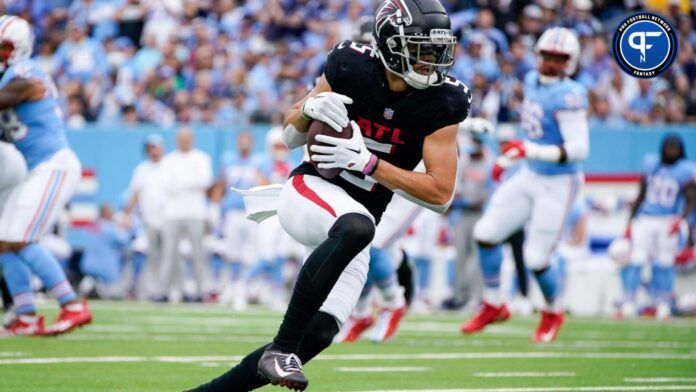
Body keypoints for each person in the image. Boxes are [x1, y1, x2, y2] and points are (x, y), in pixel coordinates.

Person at [188, 0, 470, 390]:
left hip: (360, 215)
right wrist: (309, 109)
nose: (432, 61)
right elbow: (290, 134)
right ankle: (280, 349)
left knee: (320, 333)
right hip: (310, 192)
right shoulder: (350, 67)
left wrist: (369, 164)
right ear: (391, 44)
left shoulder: (445, 101)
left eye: (437, 51)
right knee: (357, 227)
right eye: (422, 50)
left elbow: (440, 195)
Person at [461, 27, 589, 343]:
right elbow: (533, 133)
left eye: (559, 59)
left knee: (536, 259)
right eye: (547, 56)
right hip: (530, 174)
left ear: (570, 62)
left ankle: (553, 310)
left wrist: (525, 151)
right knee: (485, 234)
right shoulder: (531, 81)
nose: (552, 64)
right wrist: (510, 160)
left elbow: (578, 150)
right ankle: (494, 303)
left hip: (559, 182)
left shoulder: (570, 94)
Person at [0, 16, 93, 336]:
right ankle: (25, 314)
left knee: (21, 239)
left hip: (53, 164)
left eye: (4, 47)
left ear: (19, 49)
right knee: (3, 240)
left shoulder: (24, 72)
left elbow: (29, 88)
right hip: (34, 168)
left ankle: (72, 304)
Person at [621, 135, 696, 320]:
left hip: (668, 220)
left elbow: (691, 198)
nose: (671, 151)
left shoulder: (685, 170)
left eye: (675, 148)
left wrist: (682, 219)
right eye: (669, 147)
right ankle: (629, 302)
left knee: (664, 263)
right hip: (645, 218)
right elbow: (641, 193)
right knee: (636, 259)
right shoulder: (651, 163)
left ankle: (663, 305)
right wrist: (630, 221)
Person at [209, 131, 266, 311]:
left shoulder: (259, 162)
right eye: (241, 140)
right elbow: (220, 184)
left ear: (252, 142)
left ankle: (243, 288)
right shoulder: (228, 160)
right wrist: (214, 207)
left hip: (251, 212)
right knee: (231, 253)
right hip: (232, 211)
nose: (243, 144)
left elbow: (266, 185)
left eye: (246, 140)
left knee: (249, 254)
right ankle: (230, 288)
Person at [442, 117, 494, 310]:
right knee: (460, 256)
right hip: (463, 215)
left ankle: (477, 297)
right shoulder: (465, 161)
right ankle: (459, 295)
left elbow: (491, 193)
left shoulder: (489, 162)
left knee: (477, 258)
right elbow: (459, 188)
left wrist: (475, 202)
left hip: (481, 215)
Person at [158, 127, 213, 302]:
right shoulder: (168, 160)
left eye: (187, 138)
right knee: (169, 254)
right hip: (172, 213)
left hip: (195, 212)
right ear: (176, 140)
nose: (184, 141)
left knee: (198, 254)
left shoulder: (201, 158)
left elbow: (205, 181)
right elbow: (166, 185)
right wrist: (190, 183)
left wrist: (181, 183)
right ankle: (164, 291)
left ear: (192, 139)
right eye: (181, 138)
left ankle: (199, 292)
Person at [124, 133, 166, 298]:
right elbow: (134, 194)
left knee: (167, 255)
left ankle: (166, 288)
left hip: (167, 218)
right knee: (148, 253)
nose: (153, 151)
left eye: (155, 147)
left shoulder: (169, 166)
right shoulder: (142, 169)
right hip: (147, 219)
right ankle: (146, 288)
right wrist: (126, 214)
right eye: (150, 148)